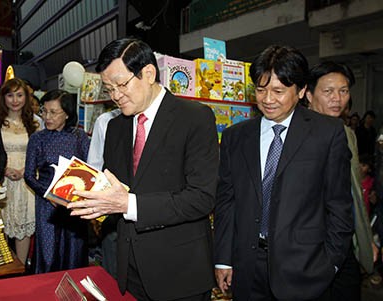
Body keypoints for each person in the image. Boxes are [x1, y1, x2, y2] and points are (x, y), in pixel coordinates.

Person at [67, 38, 219, 300]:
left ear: (148, 73)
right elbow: (115, 189)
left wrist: (129, 205)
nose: (115, 96)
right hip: (129, 268)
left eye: (121, 85)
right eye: (109, 88)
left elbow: (202, 198)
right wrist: (87, 199)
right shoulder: (115, 127)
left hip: (179, 272)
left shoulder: (194, 117)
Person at [214, 45, 353, 301]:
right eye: (260, 89)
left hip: (305, 269)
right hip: (247, 266)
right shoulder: (236, 136)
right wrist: (223, 259)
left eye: (278, 91)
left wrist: (330, 264)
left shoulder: (327, 133)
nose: (268, 99)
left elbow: (339, 205)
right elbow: (226, 201)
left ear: (301, 91)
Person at [306, 61, 375, 300]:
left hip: (344, 246)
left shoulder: (347, 134)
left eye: (343, 91)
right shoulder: (294, 135)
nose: (337, 98)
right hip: (309, 249)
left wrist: (366, 241)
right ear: (308, 94)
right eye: (328, 91)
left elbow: (355, 192)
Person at [24, 89, 90, 274]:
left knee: (74, 252)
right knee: (48, 253)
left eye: (53, 112)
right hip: (47, 203)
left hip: (74, 203)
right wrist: (48, 195)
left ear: (67, 114)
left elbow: (89, 169)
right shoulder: (37, 138)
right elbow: (29, 175)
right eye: (44, 111)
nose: (47, 117)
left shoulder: (80, 137)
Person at [0, 78, 43, 266]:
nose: (15, 100)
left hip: (27, 181)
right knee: (0, 226)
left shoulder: (37, 122)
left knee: (23, 225)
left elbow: (41, 153)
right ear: (3, 98)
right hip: (1, 180)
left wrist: (26, 170)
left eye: (19, 95)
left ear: (26, 97)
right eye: (10, 95)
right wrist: (3, 169)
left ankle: (20, 269)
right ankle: (0, 270)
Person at [87, 108, 121, 279]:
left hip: (146, 208)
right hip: (111, 204)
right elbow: (94, 164)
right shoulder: (105, 120)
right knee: (112, 266)